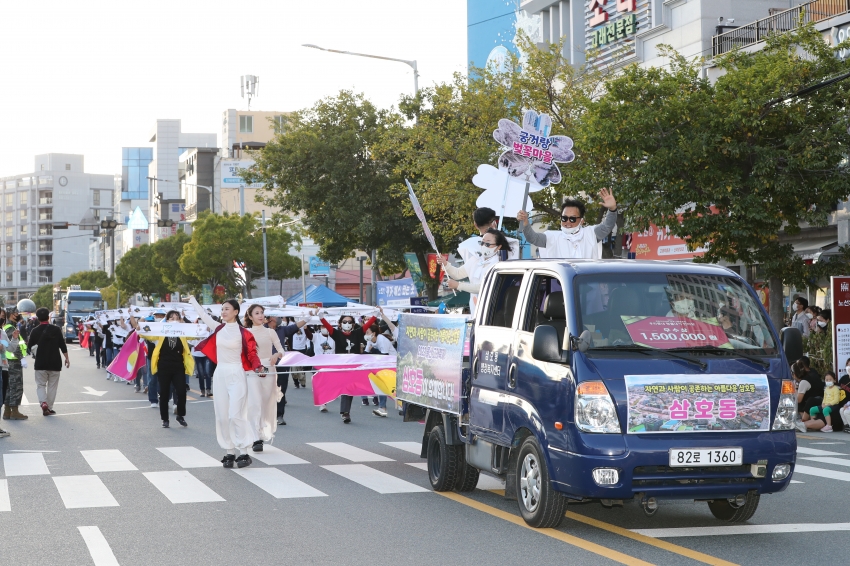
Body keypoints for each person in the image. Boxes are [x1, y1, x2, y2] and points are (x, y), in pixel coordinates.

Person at [190, 296, 263, 469]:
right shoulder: (218, 328)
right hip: (220, 373)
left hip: (236, 373)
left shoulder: (244, 333)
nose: (223, 312)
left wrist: (258, 366)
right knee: (222, 416)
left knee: (235, 414)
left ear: (236, 312)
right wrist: (192, 299)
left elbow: (252, 354)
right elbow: (202, 314)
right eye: (222, 309)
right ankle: (230, 452)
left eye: (227, 309)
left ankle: (244, 451)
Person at [129, 310, 194, 428]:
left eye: (177, 318)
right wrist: (140, 327)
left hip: (178, 366)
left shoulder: (183, 333)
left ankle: (180, 415)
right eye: (172, 318)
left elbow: (196, 333)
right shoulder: (160, 332)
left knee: (181, 391)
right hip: (163, 366)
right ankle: (165, 419)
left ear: (180, 321)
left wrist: (206, 330)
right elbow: (146, 333)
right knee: (164, 393)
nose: (174, 320)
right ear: (167, 320)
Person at [517, 189, 618, 259]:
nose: (567, 222)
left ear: (581, 220)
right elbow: (533, 238)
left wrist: (612, 209)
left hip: (587, 286)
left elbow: (607, 226)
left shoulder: (591, 233)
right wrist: (525, 223)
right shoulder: (551, 236)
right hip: (559, 285)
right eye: (564, 218)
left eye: (573, 219)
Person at [318, 310, 377, 423]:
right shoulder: (336, 334)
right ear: (340, 324)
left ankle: (346, 412)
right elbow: (328, 327)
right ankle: (337, 408)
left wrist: (375, 316)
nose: (347, 324)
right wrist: (321, 317)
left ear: (353, 324)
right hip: (341, 366)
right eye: (344, 321)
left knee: (349, 389)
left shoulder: (358, 333)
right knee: (342, 387)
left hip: (353, 367)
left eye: (349, 322)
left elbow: (367, 325)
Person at [437, 229, 515, 313]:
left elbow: (483, 287)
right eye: (482, 243)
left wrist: (459, 285)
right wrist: (445, 264)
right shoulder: (476, 259)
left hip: (491, 311)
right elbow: (457, 274)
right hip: (475, 309)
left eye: (488, 244)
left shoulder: (498, 264)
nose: (484, 246)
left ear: (498, 247)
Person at [244, 305, 285, 451]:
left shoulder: (270, 332)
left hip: (269, 369)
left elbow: (281, 350)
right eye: (257, 313)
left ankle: (260, 433)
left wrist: (276, 355)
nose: (260, 315)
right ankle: (256, 438)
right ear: (250, 316)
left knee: (265, 402)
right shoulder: (246, 332)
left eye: (262, 313)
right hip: (252, 370)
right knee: (254, 403)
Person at [26, 307, 69, 417]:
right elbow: (62, 345)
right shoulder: (56, 330)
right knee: (52, 386)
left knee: (40, 385)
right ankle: (49, 407)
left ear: (38, 319)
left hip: (40, 363)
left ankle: (43, 402)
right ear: (48, 317)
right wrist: (67, 358)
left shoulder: (34, 331)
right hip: (55, 363)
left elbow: (29, 347)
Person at [2, 313, 27, 421]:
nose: (19, 315)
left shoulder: (9, 326)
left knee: (9, 386)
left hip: (10, 360)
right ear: (11, 315)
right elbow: (14, 346)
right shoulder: (10, 327)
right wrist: (21, 357)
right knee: (16, 387)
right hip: (13, 361)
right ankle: (14, 411)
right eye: (16, 313)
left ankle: (7, 411)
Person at [311, 321, 335, 413]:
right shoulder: (316, 336)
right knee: (320, 384)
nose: (324, 328)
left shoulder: (334, 337)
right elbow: (309, 335)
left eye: (326, 326)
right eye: (322, 326)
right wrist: (305, 328)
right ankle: (323, 403)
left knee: (326, 384)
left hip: (330, 364)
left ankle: (324, 400)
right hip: (318, 364)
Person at [794, 361, 825, 431]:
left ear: (795, 374)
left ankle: (803, 421)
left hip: (815, 402)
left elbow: (798, 400)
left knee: (799, 401)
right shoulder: (813, 375)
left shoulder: (804, 382)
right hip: (821, 400)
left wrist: (795, 389)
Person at [0, 334, 10, 437]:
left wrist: (15, 339)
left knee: (1, 399)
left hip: (3, 367)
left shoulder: (2, 332)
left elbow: (9, 347)